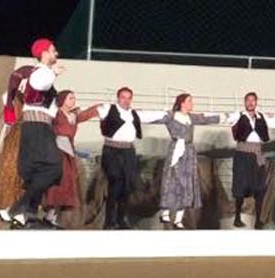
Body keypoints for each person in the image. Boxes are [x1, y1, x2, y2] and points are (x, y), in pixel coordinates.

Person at [145, 93, 228, 230]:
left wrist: (225, 117)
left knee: (187, 183)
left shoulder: (191, 117)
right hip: (177, 150)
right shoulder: (171, 116)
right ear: (182, 103)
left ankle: (179, 219)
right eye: (189, 101)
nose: (192, 103)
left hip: (189, 151)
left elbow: (206, 118)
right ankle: (165, 213)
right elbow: (154, 118)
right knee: (172, 180)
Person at [8, 38, 65, 229]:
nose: (56, 54)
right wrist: (52, 72)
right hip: (37, 126)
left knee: (38, 171)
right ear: (44, 53)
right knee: (54, 168)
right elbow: (40, 85)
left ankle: (28, 217)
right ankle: (20, 207)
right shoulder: (40, 72)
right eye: (53, 50)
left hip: (39, 126)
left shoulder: (41, 72)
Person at [95, 87, 165, 229]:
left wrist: (170, 113)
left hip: (128, 151)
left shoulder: (134, 113)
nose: (126, 100)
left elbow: (152, 115)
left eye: (128, 98)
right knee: (116, 182)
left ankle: (121, 219)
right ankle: (109, 221)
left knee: (127, 186)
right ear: (118, 98)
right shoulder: (109, 109)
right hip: (112, 150)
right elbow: (92, 111)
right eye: (123, 97)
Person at [229, 92, 275, 229]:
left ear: (256, 102)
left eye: (253, 100)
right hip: (242, 154)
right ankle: (237, 217)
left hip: (257, 154)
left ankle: (258, 221)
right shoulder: (238, 116)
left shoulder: (262, 117)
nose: (250, 103)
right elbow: (223, 118)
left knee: (259, 188)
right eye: (248, 100)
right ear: (244, 102)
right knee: (240, 187)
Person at [41, 90, 102, 228]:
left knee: (68, 185)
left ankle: (53, 217)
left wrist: (99, 108)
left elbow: (86, 114)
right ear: (62, 100)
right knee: (58, 184)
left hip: (69, 153)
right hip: (57, 153)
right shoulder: (56, 114)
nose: (73, 100)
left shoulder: (73, 116)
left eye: (74, 98)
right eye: (70, 98)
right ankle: (50, 215)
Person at [0, 63, 35, 223]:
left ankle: (19, 208)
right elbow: (10, 119)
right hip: (19, 134)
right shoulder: (14, 97)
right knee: (13, 171)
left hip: (29, 133)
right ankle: (9, 207)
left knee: (26, 175)